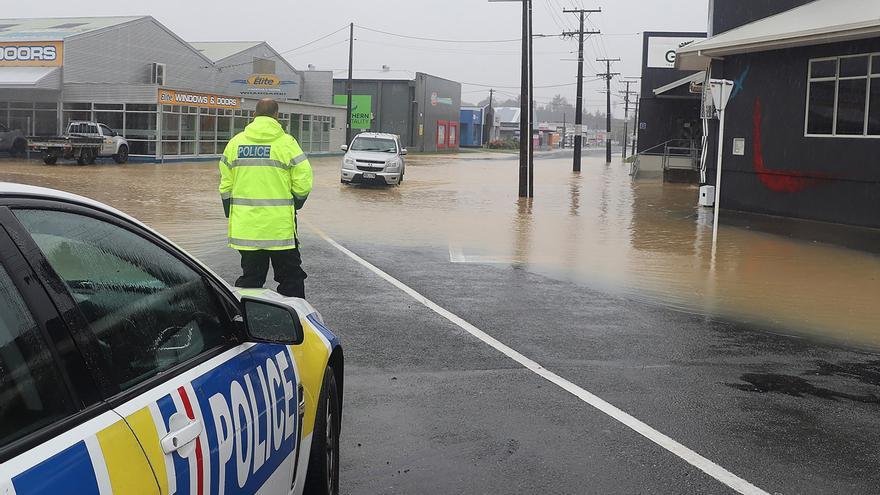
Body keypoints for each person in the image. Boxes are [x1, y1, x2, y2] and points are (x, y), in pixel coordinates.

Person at [219, 98, 313, 298]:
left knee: (251, 280)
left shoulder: (235, 143)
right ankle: (295, 321)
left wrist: (230, 210)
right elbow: (304, 181)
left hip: (247, 228)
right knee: (291, 279)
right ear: (276, 116)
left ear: (254, 115)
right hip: (280, 229)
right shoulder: (287, 144)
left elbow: (225, 186)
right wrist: (296, 202)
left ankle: (245, 321)